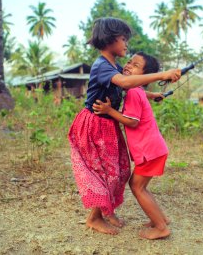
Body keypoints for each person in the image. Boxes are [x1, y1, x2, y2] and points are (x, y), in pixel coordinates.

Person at [68, 17, 180, 235]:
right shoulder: (102, 66)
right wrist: (162, 75)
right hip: (95, 124)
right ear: (110, 40)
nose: (126, 44)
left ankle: (106, 211)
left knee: (117, 172)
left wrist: (151, 93)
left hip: (108, 124)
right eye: (123, 39)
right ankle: (94, 218)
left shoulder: (114, 66)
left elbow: (130, 88)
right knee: (103, 172)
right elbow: (126, 83)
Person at [92, 52, 171, 239]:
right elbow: (143, 93)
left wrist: (109, 111)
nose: (128, 66)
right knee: (141, 186)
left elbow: (132, 121)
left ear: (143, 76)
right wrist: (154, 95)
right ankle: (160, 220)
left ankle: (161, 227)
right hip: (154, 150)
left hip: (149, 151)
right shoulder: (137, 91)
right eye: (129, 62)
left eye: (135, 66)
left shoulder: (134, 92)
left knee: (137, 187)